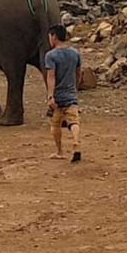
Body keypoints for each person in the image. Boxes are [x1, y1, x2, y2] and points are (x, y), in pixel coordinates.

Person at [44, 25, 83, 163]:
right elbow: (78, 73)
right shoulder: (75, 53)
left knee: (55, 124)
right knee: (73, 121)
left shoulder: (51, 55)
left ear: (54, 36)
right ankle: (76, 142)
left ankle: (59, 151)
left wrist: (50, 96)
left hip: (58, 96)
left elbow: (51, 76)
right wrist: (75, 87)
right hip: (71, 93)